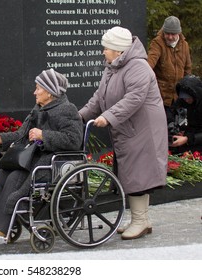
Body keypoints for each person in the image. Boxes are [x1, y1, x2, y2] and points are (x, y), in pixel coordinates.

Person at [0, 68, 83, 238]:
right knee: (3, 172)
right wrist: (0, 138)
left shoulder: (67, 109)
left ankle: (0, 226)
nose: (35, 92)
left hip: (52, 163)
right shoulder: (38, 109)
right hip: (34, 159)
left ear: (50, 92)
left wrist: (44, 135)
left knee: (15, 176)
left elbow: (74, 140)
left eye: (38, 88)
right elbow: (21, 134)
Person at [79, 26, 168, 240]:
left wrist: (108, 116)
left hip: (143, 129)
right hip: (129, 127)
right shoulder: (113, 67)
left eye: (106, 47)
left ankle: (139, 220)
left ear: (119, 50)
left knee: (138, 173)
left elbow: (134, 98)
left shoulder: (138, 67)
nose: (103, 51)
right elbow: (98, 98)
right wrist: (79, 116)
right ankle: (141, 219)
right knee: (133, 172)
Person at [147, 16, 192, 116]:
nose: (170, 37)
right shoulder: (157, 43)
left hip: (179, 97)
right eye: (167, 33)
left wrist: (186, 92)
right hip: (161, 97)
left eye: (173, 34)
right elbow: (150, 63)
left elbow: (187, 69)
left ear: (179, 33)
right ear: (163, 31)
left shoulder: (185, 45)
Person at [168, 74, 202, 154]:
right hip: (186, 135)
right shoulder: (182, 101)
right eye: (184, 98)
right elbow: (172, 112)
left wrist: (187, 139)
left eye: (188, 98)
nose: (186, 100)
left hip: (197, 139)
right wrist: (173, 125)